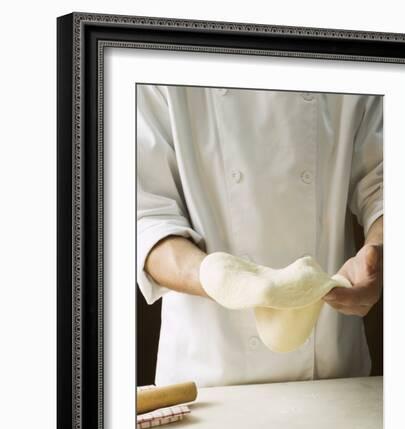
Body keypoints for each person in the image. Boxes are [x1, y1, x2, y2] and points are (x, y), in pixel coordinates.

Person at [137, 84, 383, 387]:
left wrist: (378, 251)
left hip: (331, 376)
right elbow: (146, 218)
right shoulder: (158, 61)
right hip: (207, 377)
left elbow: (388, 183)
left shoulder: (352, 54)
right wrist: (223, 278)